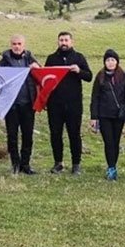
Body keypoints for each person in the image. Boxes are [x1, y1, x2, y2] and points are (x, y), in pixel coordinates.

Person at [43, 31, 93, 174]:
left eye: (66, 40)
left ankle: (76, 164)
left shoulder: (79, 57)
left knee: (74, 134)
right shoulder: (51, 59)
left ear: (72, 42)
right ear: (57, 42)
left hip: (74, 104)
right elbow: (45, 80)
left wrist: (79, 71)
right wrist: (45, 99)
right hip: (55, 104)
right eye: (61, 40)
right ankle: (58, 163)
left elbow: (89, 76)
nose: (63, 43)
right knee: (55, 134)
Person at [0, 34, 40, 175]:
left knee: (28, 135)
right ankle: (15, 164)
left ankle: (25, 164)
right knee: (12, 136)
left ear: (24, 45)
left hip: (28, 104)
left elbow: (42, 75)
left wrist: (37, 67)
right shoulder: (4, 61)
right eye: (14, 43)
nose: (17, 46)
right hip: (11, 106)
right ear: (11, 45)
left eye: (19, 43)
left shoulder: (29, 58)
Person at [89, 49, 125, 181]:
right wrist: (94, 116)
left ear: (117, 62)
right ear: (104, 62)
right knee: (108, 142)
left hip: (118, 115)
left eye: (113, 60)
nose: (110, 62)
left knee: (116, 141)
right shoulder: (100, 77)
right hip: (104, 114)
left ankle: (113, 166)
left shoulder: (124, 77)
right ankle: (111, 167)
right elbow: (95, 97)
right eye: (108, 60)